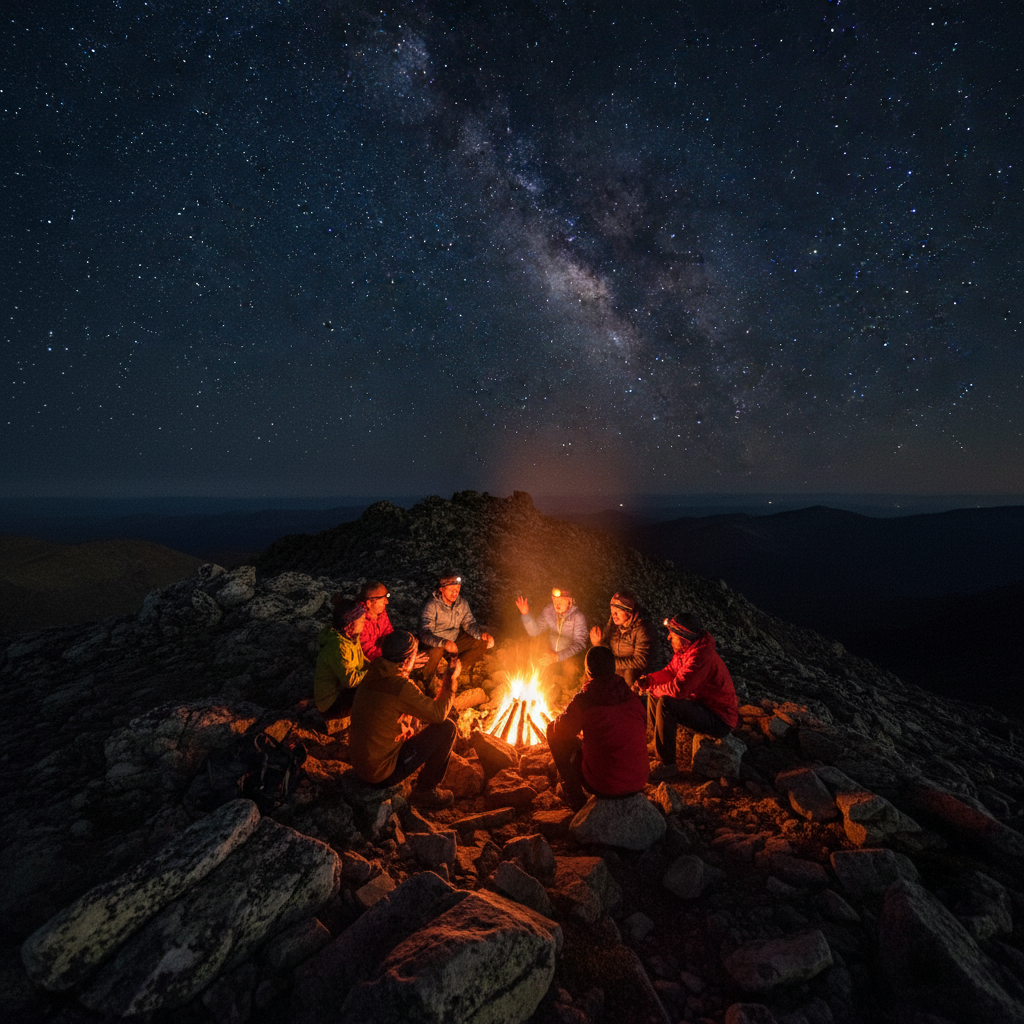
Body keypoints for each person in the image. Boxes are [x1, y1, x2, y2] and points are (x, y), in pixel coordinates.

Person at [348, 630, 460, 809]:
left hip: (360, 764)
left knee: (416, 718)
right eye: (415, 653)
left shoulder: (374, 670)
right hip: (380, 773)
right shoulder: (400, 687)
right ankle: (425, 791)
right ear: (407, 659)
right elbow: (438, 715)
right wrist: (450, 679)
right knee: (447, 728)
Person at [637, 612, 739, 781]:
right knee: (656, 693)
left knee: (666, 702)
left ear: (684, 638)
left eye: (673, 635)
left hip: (719, 719)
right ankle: (658, 744)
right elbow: (670, 671)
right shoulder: (686, 650)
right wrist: (650, 680)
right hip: (704, 705)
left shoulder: (700, 657)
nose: (669, 638)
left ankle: (667, 764)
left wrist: (653, 688)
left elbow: (678, 689)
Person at [546, 646, 649, 811]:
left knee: (552, 731)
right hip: (639, 780)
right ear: (614, 668)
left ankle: (575, 797)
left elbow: (560, 731)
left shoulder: (585, 701)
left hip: (603, 785)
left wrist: (564, 715)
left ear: (588, 672)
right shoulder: (631, 697)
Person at [418, 571, 494, 680]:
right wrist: (443, 643)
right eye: (451, 590)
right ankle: (427, 680)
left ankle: (455, 670)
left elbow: (469, 624)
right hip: (435, 645)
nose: (455, 593)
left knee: (481, 642)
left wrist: (481, 634)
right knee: (436, 651)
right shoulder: (432, 605)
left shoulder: (462, 604)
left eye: (457, 590)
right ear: (442, 589)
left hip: (453, 643)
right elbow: (424, 633)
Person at [514, 586, 588, 687]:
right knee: (539, 674)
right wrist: (526, 614)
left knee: (570, 679)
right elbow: (535, 632)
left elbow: (580, 644)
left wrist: (558, 657)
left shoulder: (578, 617)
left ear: (570, 601)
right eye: (555, 600)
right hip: (551, 653)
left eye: (561, 600)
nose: (557, 604)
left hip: (570, 657)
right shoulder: (549, 612)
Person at [314, 596, 369, 723]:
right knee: (372, 691)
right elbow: (350, 680)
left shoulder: (351, 638)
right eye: (360, 621)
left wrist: (379, 666)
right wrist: (374, 673)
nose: (363, 623)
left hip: (342, 690)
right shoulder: (338, 646)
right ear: (350, 624)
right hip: (331, 704)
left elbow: (362, 659)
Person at [589, 590, 654, 689]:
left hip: (634, 672)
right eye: (612, 611)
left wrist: (612, 663)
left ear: (628, 611)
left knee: (630, 673)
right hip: (616, 668)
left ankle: (630, 700)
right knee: (592, 662)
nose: (613, 614)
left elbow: (641, 661)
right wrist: (598, 643)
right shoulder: (614, 624)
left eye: (617, 611)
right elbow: (607, 649)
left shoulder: (642, 629)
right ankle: (589, 693)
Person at [357, 581, 394, 661]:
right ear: (369, 603)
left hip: (384, 655)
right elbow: (369, 653)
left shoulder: (380, 612)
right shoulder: (359, 621)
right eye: (383, 598)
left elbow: (389, 634)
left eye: (387, 596)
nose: (386, 602)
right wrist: (395, 654)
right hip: (368, 664)